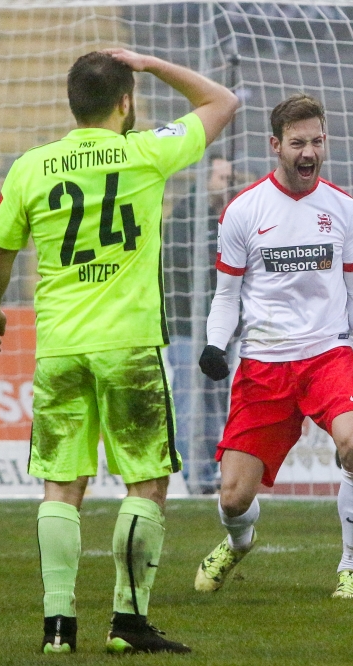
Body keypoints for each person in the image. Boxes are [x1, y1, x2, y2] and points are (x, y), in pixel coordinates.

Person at [0, 49, 238, 654]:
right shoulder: (146, 152)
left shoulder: (31, 168)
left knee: (61, 486)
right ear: (125, 101)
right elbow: (222, 101)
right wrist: (148, 62)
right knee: (145, 483)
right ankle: (128, 622)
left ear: (73, 103)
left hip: (60, 349)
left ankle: (58, 629)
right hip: (129, 347)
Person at [193, 93, 353, 600]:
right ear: (276, 146)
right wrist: (215, 344)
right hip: (263, 364)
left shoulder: (344, 209)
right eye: (297, 143)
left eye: (317, 141)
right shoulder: (243, 211)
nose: (309, 152)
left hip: (327, 357)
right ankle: (238, 542)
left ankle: (351, 568)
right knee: (232, 499)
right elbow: (226, 296)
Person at [165, 152, 233, 494]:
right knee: (192, 401)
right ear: (206, 179)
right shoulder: (185, 217)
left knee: (212, 403)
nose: (227, 185)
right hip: (188, 328)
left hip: (215, 331)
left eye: (229, 179)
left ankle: (205, 473)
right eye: (222, 178)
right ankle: (194, 474)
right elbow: (180, 272)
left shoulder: (219, 217)